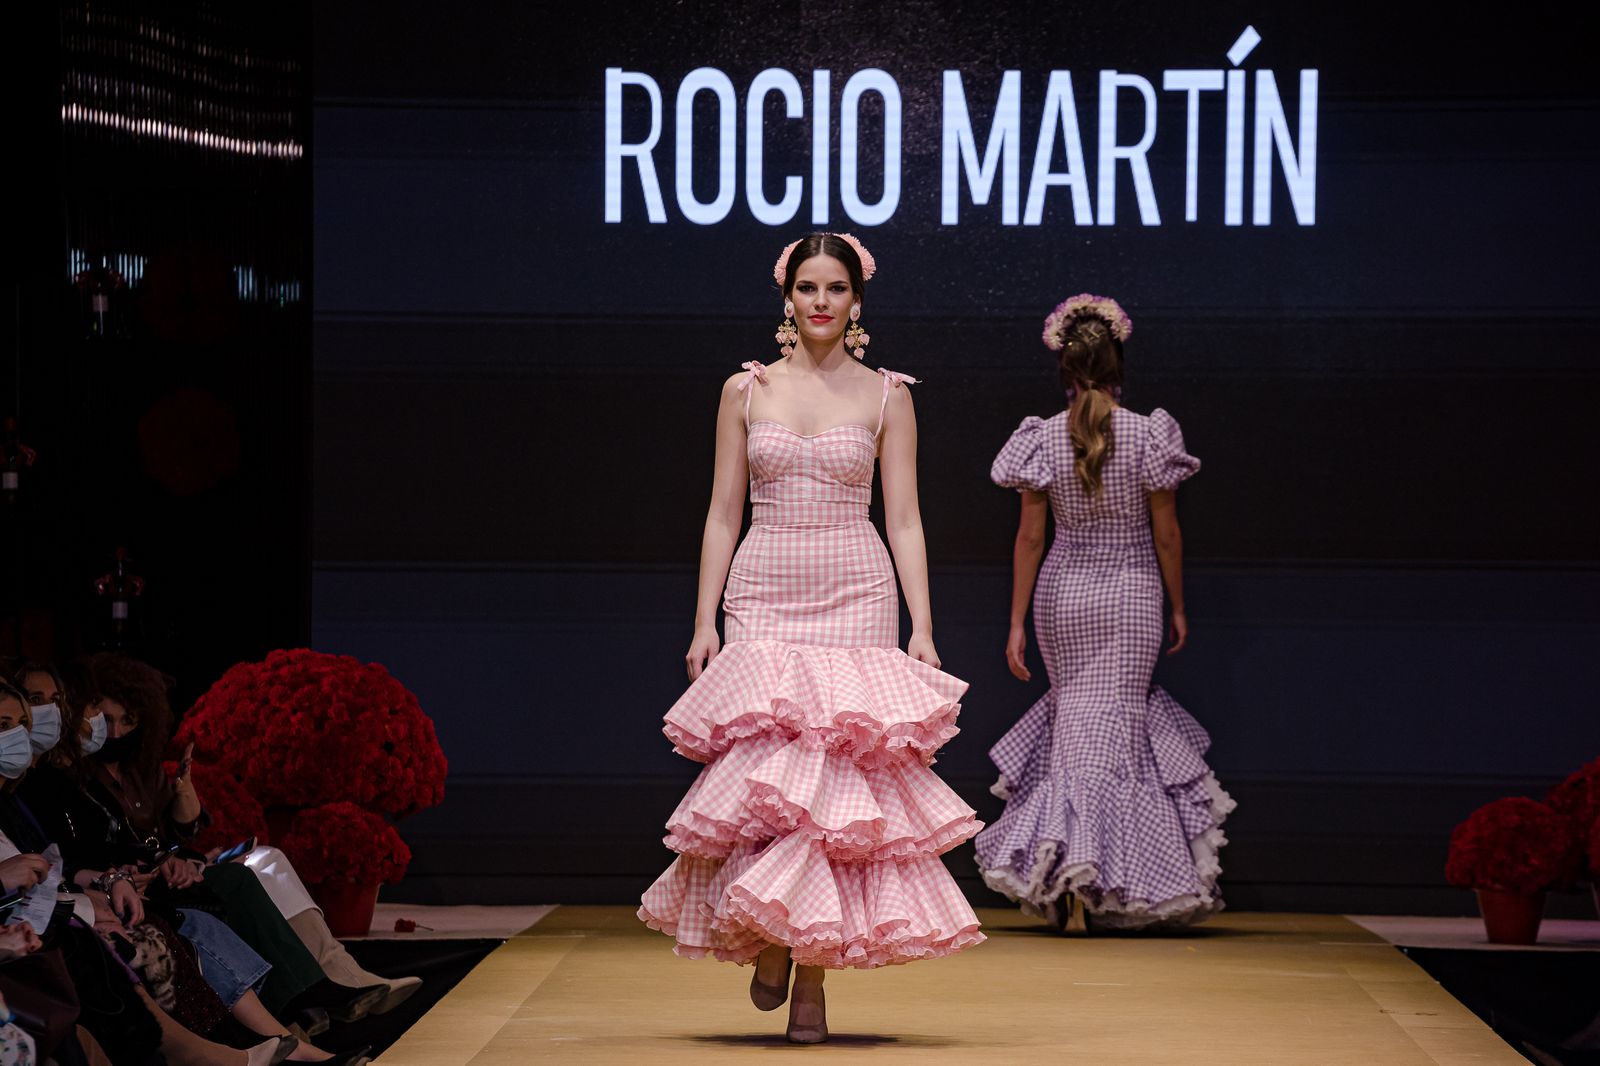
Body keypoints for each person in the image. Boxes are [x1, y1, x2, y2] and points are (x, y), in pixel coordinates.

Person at [638, 233, 983, 1043]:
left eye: (835, 287)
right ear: (786, 298)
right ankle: (769, 934)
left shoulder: (888, 395)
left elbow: (903, 517)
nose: (821, 300)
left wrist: (922, 625)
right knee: (769, 773)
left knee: (833, 788)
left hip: (856, 593)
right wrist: (704, 617)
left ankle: (812, 982)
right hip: (764, 590)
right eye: (807, 286)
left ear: (857, 299)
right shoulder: (745, 391)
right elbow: (722, 511)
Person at [972, 294, 1234, 930]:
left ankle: (1074, 877)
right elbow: (1166, 533)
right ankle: (1095, 879)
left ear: (1064, 369)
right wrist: (1176, 604)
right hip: (1130, 594)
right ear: (1118, 364)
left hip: (1062, 599)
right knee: (1114, 733)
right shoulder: (1149, 433)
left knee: (1075, 731)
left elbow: (1030, 538)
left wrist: (1014, 621)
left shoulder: (1042, 437)